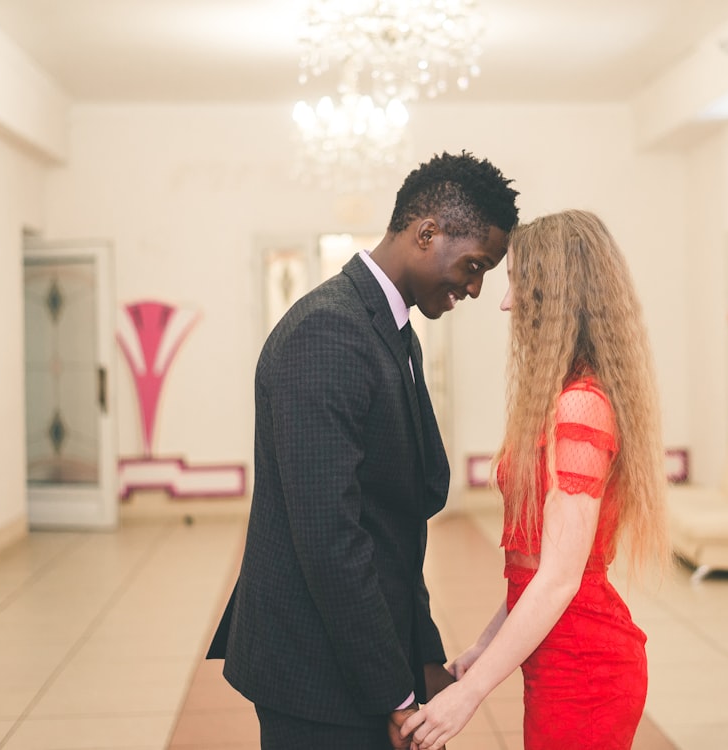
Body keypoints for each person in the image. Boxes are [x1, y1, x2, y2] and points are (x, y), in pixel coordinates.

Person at [207, 151, 519, 749]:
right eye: (475, 264)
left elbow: (389, 527)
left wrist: (422, 658)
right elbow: (332, 542)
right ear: (427, 233)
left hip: (358, 647)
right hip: (315, 674)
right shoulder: (327, 332)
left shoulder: (391, 328)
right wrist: (395, 696)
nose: (477, 288)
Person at [401, 209, 671, 750]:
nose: (505, 302)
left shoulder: (580, 408)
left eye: (516, 283)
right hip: (557, 657)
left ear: (554, 294)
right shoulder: (567, 399)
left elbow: (559, 579)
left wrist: (470, 692)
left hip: (586, 669)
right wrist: (485, 644)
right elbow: (532, 569)